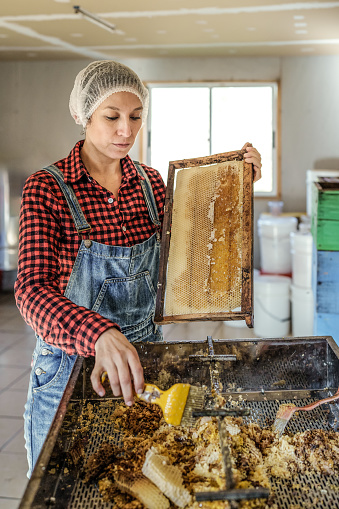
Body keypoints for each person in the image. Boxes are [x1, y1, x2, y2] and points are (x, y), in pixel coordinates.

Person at [14, 60, 262, 477]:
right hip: (70, 369)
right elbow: (31, 291)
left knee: (135, 485)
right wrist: (99, 333)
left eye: (135, 117)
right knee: (67, 488)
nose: (125, 131)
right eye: (111, 117)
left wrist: (237, 184)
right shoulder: (47, 188)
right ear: (82, 115)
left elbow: (196, 251)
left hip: (145, 365)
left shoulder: (151, 184)